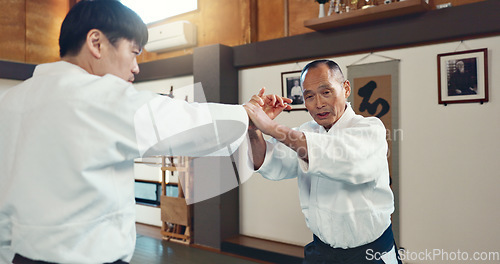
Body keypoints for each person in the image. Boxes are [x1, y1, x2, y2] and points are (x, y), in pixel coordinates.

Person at [0, 1, 273, 263]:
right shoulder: (99, 96)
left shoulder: (10, 102)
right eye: (133, 52)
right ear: (96, 43)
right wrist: (246, 112)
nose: (136, 67)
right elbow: (187, 123)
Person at [244, 59, 402, 264]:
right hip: (322, 252)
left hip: (370, 253)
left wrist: (271, 127)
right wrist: (254, 130)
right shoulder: (306, 132)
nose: (318, 104)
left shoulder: (370, 129)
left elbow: (342, 158)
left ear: (345, 88)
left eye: (326, 92)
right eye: (309, 96)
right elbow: (270, 162)